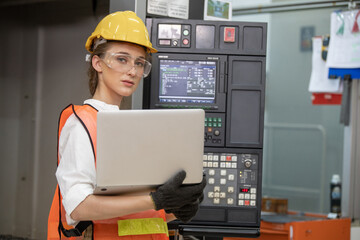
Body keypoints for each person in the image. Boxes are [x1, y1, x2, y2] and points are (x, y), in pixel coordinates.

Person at [47, 11, 206, 240]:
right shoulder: (81, 123)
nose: (132, 71)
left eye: (139, 63)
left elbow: (138, 212)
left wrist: (177, 208)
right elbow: (78, 207)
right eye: (122, 59)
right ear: (97, 62)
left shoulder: (135, 128)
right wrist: (156, 199)